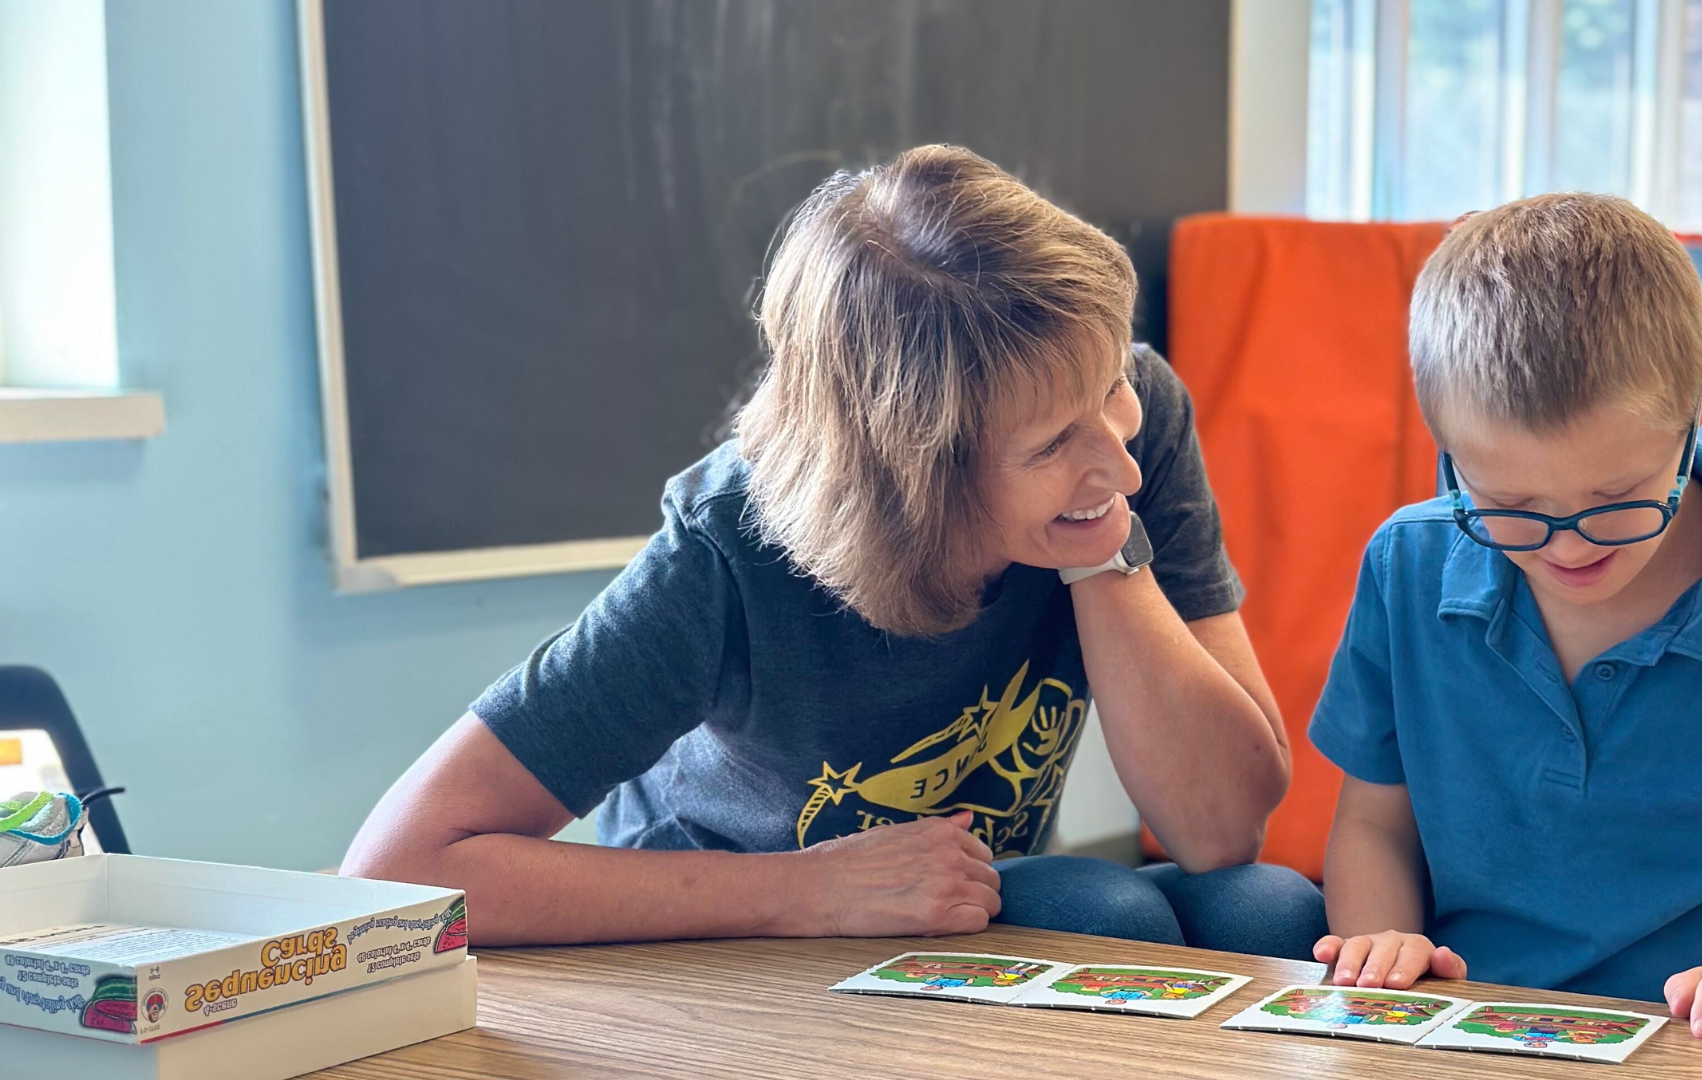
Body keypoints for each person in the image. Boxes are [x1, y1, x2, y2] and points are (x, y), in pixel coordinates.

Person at [341, 144, 1326, 958]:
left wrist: (1104, 552)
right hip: (723, 936)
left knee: (1269, 908)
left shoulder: (1128, 420)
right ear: (921, 477)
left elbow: (1220, 830)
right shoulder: (723, 554)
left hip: (945, 901)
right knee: (1102, 914)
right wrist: (802, 893)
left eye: (1110, 390)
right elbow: (398, 871)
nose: (1122, 456)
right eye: (1053, 444)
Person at [1307, 192, 1702, 1044]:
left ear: (1701, 407)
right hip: (1466, 1033)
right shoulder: (1405, 566)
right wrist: (1383, 939)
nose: (1565, 546)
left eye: (1617, 499)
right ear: (1439, 431)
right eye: (1510, 503)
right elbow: (1375, 821)